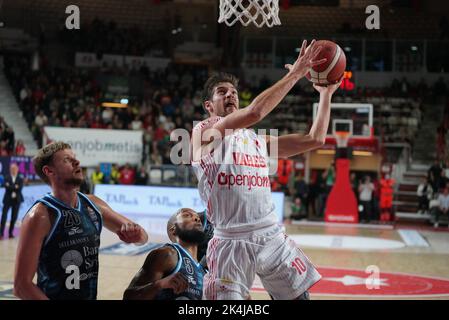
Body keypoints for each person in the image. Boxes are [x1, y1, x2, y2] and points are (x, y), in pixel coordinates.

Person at [191, 40, 341, 300]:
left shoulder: (258, 140)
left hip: (270, 234)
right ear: (208, 105)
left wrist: (325, 94)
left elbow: (315, 139)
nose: (230, 95)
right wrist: (295, 73)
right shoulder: (202, 132)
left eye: (234, 92)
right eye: (222, 92)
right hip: (231, 241)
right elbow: (256, 111)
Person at [13, 141, 148, 300]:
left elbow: (143, 237)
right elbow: (21, 286)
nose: (77, 162)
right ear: (49, 171)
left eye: (74, 157)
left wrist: (136, 236)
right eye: (66, 160)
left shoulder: (93, 204)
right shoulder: (40, 215)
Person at [123, 208, 206, 300]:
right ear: (173, 229)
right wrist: (159, 285)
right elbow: (128, 297)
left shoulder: (204, 271)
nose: (196, 219)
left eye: (197, 217)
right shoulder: (167, 254)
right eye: (187, 215)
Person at [1, 163, 24, 239]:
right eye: (12, 169)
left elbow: (19, 188)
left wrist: (10, 186)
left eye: (14, 169)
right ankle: (1, 233)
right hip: (7, 200)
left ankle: (11, 233)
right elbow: (5, 186)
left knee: (14, 217)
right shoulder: (7, 177)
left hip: (17, 200)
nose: (13, 170)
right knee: (4, 217)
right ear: (10, 170)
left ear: (17, 169)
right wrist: (15, 186)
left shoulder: (20, 178)